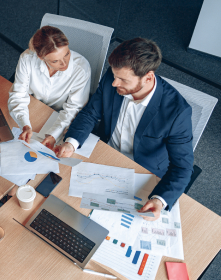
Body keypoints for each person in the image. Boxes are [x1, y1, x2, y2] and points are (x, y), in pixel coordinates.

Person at [56, 38, 194, 221]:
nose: (114, 83)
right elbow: (90, 113)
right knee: (67, 204)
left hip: (143, 171)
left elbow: (183, 167)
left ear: (148, 77)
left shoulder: (177, 112)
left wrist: (160, 200)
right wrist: (71, 143)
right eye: (114, 76)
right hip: (105, 155)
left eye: (122, 79)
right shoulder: (113, 77)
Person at [8, 26, 91, 148]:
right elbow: (18, 95)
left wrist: (53, 135)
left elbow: (73, 108)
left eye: (67, 54)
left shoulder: (81, 69)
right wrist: (24, 124)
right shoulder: (27, 58)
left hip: (60, 116)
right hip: (34, 108)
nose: (64, 63)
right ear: (41, 57)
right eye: (55, 61)